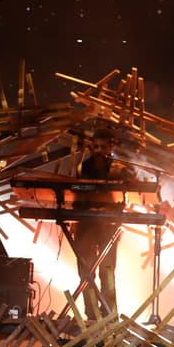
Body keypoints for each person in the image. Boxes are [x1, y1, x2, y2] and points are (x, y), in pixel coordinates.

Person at [70, 127, 133, 318]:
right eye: (95, 147)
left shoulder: (118, 169)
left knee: (108, 272)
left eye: (102, 147)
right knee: (86, 272)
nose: (98, 150)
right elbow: (76, 194)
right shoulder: (83, 168)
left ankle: (108, 313)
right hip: (86, 224)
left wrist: (108, 210)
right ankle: (91, 313)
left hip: (108, 225)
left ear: (110, 147)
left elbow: (126, 196)